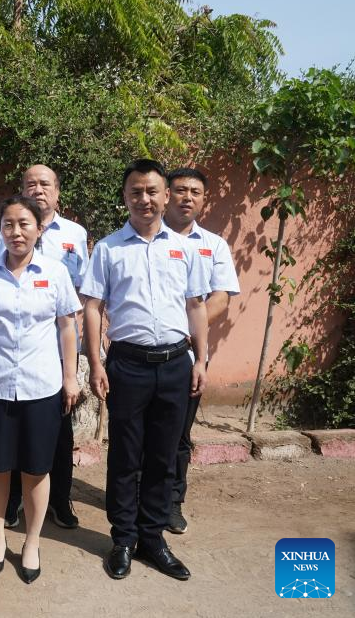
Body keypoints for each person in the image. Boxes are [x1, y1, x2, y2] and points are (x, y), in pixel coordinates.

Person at [81, 159, 209, 582]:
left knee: (163, 455)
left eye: (152, 191)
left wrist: (201, 360)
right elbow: (93, 307)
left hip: (175, 365)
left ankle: (153, 539)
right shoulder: (108, 249)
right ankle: (123, 539)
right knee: (125, 455)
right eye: (136, 191)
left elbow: (196, 305)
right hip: (128, 366)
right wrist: (96, 362)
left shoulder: (186, 248)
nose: (145, 199)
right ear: (125, 197)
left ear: (166, 196)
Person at [0, 195, 81, 582]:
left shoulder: (55, 272)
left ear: (39, 228)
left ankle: (31, 542)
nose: (16, 232)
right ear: (0, 230)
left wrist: (70, 376)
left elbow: (67, 326)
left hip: (41, 386)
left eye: (24, 224)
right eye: (8, 224)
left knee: (35, 468)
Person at [0, 165, 90, 530]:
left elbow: (81, 293)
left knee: (60, 431)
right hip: (14, 354)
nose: (38, 189)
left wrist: (74, 364)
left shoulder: (75, 234)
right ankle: (14, 498)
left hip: (59, 348)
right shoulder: (3, 235)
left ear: (58, 191)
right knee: (15, 431)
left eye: (45, 183)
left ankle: (60, 499)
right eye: (30, 183)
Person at [163, 167, 240, 534]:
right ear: (167, 195)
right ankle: (136, 498)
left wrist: (182, 327)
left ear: (203, 199)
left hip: (188, 354)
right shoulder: (145, 239)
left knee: (179, 434)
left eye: (195, 192)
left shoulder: (213, 245)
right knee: (140, 434)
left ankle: (171, 502)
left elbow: (221, 297)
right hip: (145, 353)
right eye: (181, 190)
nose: (188, 197)